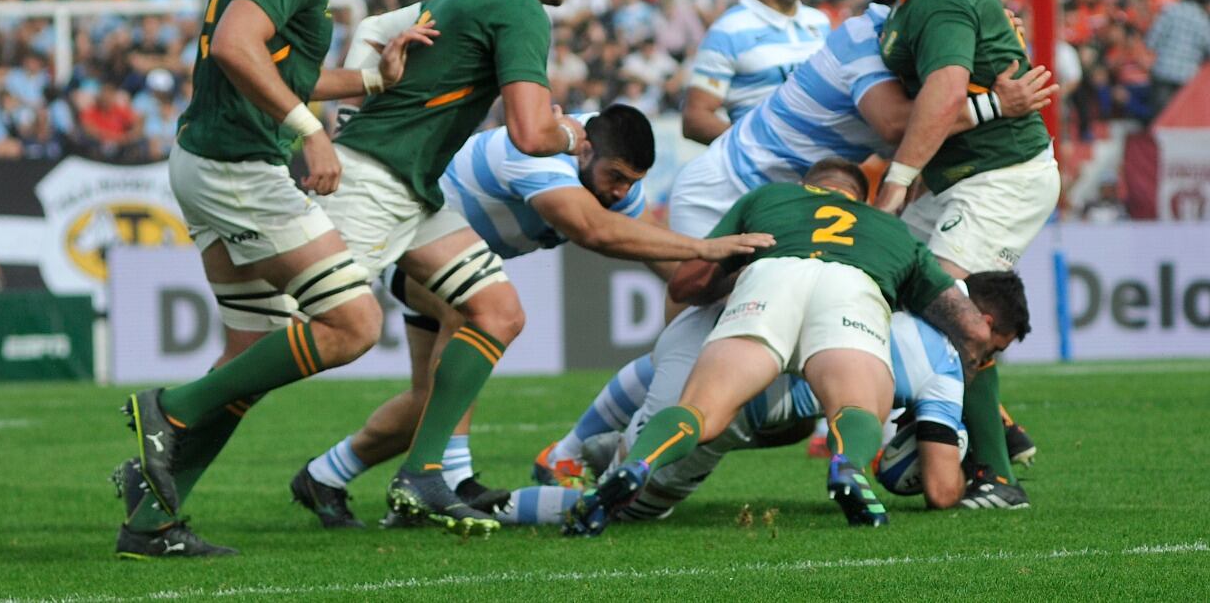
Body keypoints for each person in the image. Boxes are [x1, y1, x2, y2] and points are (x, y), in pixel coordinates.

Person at [113, 0, 438, 560]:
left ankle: (152, 519)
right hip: (237, 167)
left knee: (252, 352)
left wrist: (371, 81)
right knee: (353, 322)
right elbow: (235, 46)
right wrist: (309, 131)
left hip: (206, 159)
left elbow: (270, 62)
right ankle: (168, 411)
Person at [288, 103, 772, 528]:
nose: (621, 192)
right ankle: (451, 482)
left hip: (450, 259)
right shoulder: (541, 148)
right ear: (585, 153)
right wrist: (707, 248)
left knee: (430, 401)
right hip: (404, 240)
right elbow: (593, 230)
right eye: (616, 178)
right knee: (479, 310)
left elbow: (664, 262)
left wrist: (726, 289)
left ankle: (324, 475)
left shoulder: (613, 181)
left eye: (632, 182)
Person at [562, 158, 994, 536]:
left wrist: (726, 279)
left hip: (770, 277)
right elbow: (973, 329)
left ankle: (636, 463)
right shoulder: (890, 230)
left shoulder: (768, 199)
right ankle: (847, 466)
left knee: (700, 411)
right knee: (855, 407)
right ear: (860, 199)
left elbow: (685, 283)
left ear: (807, 184)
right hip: (852, 289)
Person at [823, 0, 1061, 508]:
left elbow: (945, 92)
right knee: (881, 286)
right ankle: (991, 425)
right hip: (964, 178)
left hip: (1002, 178)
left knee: (954, 309)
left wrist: (897, 186)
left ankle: (994, 474)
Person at [509, 272, 1029, 526]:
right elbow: (940, 489)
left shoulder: (895, 284)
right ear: (981, 324)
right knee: (630, 508)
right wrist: (963, 466)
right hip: (741, 401)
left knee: (677, 385)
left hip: (722, 324)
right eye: (992, 352)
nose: (985, 366)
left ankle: (580, 450)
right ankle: (500, 508)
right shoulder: (946, 369)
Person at [681, 0, 831, 144]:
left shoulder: (820, 23)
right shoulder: (729, 30)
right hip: (766, 176)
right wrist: (756, 148)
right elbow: (695, 119)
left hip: (822, 171)